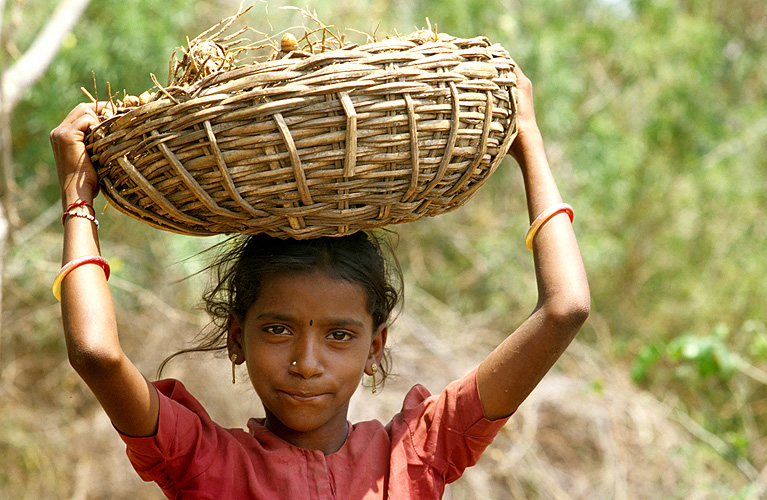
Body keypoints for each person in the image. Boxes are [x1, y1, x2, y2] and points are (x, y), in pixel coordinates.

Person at [50, 63, 589, 499]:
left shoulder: (418, 454)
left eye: (339, 335)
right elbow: (96, 354)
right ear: (237, 336)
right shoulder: (205, 465)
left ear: (375, 346)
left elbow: (566, 309)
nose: (306, 363)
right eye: (278, 330)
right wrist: (78, 197)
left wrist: (529, 144)